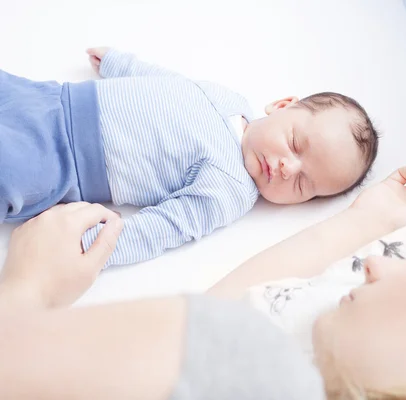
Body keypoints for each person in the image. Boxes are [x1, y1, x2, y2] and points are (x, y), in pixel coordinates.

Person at [2, 165, 406, 400]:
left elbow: (227, 328)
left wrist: (30, 286)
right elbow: (245, 312)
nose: (380, 262)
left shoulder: (260, 367)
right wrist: (364, 220)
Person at [0, 47, 379, 267]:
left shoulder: (230, 189)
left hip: (60, 162)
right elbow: (171, 83)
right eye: (296, 144)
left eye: (302, 183)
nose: (286, 167)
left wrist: (93, 246)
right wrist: (122, 63)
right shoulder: (232, 100)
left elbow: (165, 227)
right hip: (54, 99)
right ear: (283, 104)